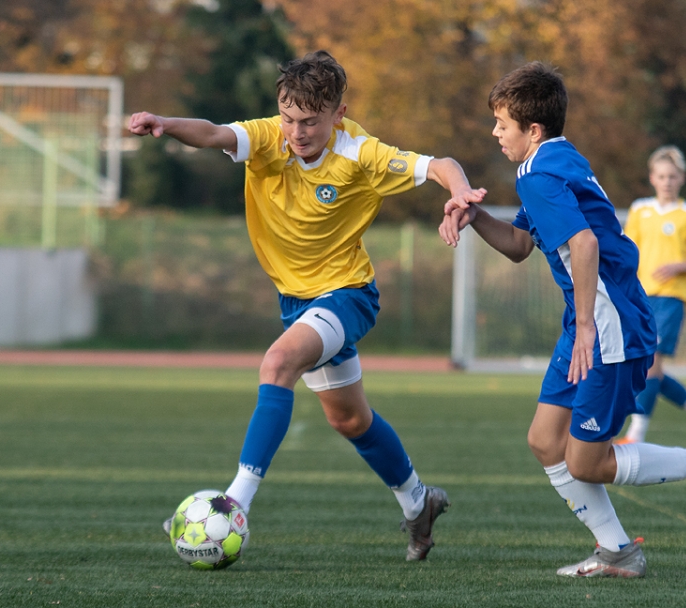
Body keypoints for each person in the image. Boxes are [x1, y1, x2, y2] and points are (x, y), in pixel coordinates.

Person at [130, 50, 486, 561]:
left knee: (277, 363)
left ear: (338, 112)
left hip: (347, 295)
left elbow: (442, 166)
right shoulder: (269, 137)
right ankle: (418, 502)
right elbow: (211, 133)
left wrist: (459, 194)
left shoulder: (360, 153)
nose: (297, 133)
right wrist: (165, 123)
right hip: (297, 301)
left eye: (310, 122)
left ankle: (234, 503)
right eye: (289, 119)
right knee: (350, 421)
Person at [439, 61, 686, 577]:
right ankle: (619, 552)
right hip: (591, 320)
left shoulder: (540, 173)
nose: (495, 132)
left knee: (587, 460)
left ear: (532, 129)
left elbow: (583, 245)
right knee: (545, 440)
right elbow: (520, 245)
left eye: (502, 123)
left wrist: (586, 326)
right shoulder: (558, 160)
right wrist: (473, 216)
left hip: (608, 326)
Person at [616, 146, 686, 445]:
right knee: (649, 369)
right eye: (661, 176)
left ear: (682, 178)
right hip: (639, 298)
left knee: (651, 364)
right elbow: (628, 251)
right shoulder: (640, 210)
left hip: (670, 299)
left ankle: (636, 435)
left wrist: (679, 266)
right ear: (652, 178)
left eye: (672, 176)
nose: (667, 181)